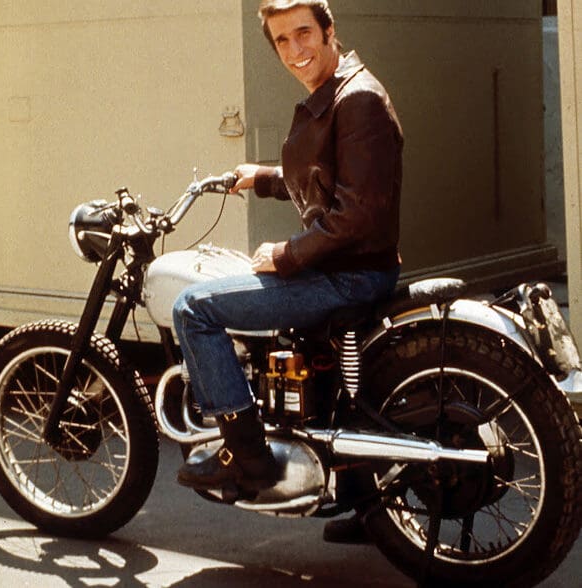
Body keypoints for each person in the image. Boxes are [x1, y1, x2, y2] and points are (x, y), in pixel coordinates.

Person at [173, 0, 403, 541]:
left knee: (194, 307)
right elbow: (331, 176)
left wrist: (286, 255)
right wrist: (263, 176)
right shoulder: (341, 93)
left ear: (329, 31)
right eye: (282, 40)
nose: (295, 50)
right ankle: (368, 503)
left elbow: (356, 215)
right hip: (348, 268)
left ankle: (245, 454)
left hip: (347, 273)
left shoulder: (359, 99)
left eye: (304, 33)